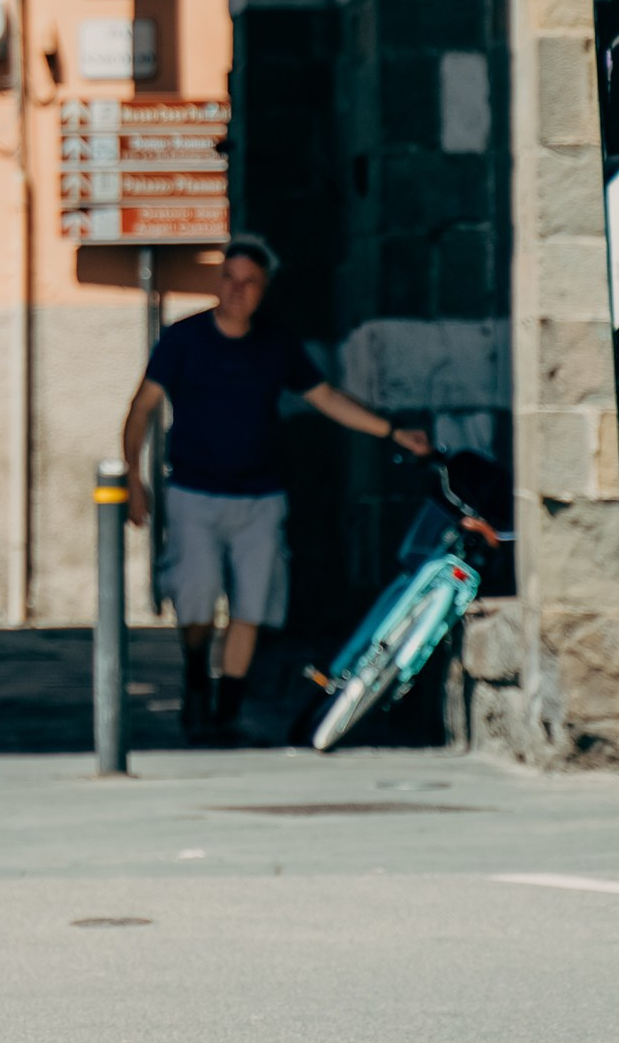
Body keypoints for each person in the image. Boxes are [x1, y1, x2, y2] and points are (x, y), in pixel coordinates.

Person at [122, 234, 430, 738]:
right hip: (194, 494)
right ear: (218, 281)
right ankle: (196, 678)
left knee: (252, 605)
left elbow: (327, 398)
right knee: (196, 597)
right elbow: (142, 409)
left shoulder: (277, 345)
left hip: (260, 498)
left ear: (263, 289)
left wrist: (393, 432)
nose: (237, 290)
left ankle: (226, 713)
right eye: (229, 278)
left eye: (249, 282)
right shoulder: (183, 340)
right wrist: (134, 478)